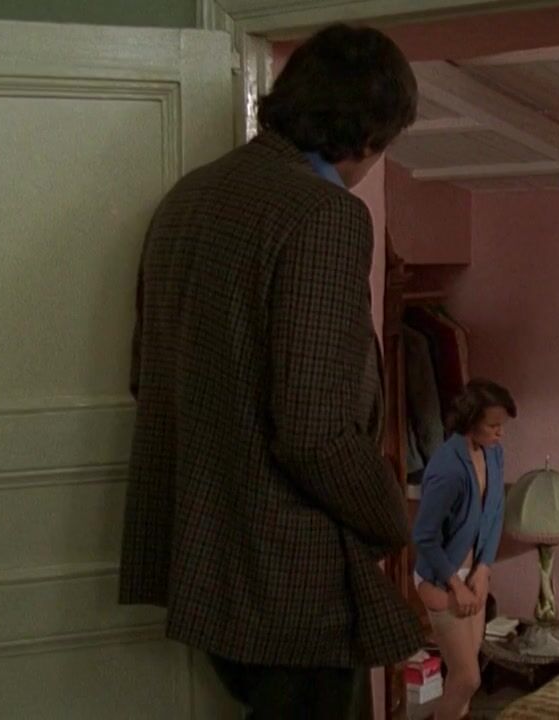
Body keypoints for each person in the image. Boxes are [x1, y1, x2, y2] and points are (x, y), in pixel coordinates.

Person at [117, 23, 422, 720]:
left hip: (203, 559)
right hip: (291, 574)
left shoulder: (189, 198)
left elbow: (148, 378)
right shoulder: (324, 215)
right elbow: (315, 432)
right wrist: (393, 518)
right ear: (369, 134)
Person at [412, 379, 517, 720]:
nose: (500, 433)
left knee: (465, 684)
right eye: (493, 425)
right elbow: (424, 537)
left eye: (502, 425)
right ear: (471, 421)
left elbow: (495, 512)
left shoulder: (494, 453)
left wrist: (484, 568)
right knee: (468, 678)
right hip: (441, 577)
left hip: (474, 573)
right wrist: (456, 584)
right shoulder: (447, 468)